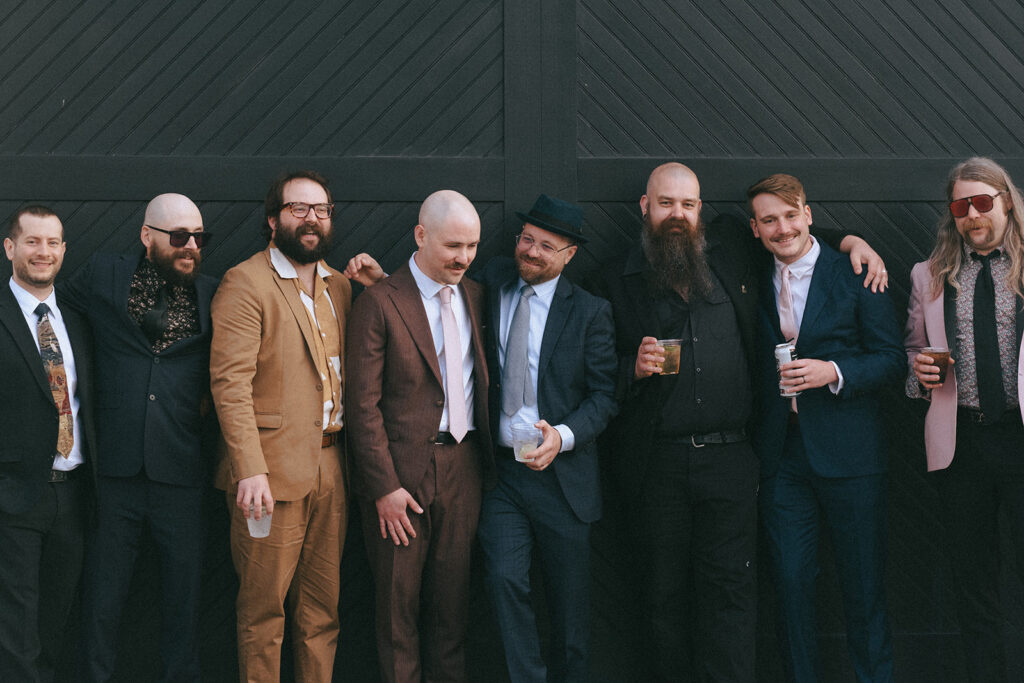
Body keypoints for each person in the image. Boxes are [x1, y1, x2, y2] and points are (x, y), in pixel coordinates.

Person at [589, 162, 886, 681]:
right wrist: (629, 370)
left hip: (733, 458)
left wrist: (852, 240)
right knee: (663, 595)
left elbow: (791, 234)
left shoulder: (729, 248)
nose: (677, 214)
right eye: (666, 203)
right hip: (658, 462)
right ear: (645, 206)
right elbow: (587, 373)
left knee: (735, 594)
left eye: (687, 204)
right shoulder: (612, 279)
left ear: (702, 210)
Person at [748, 174, 903, 683]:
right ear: (754, 228)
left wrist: (832, 373)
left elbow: (890, 359)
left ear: (809, 215)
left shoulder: (857, 271)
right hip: (783, 458)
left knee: (863, 590)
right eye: (769, 219)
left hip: (852, 457)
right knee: (790, 588)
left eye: (791, 215)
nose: (782, 227)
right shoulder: (748, 273)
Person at [62, 193, 217, 682]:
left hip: (182, 471)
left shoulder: (215, 292)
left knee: (183, 602)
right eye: (178, 237)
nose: (190, 245)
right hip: (115, 472)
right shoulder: (103, 274)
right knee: (103, 600)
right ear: (147, 236)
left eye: (198, 237)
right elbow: (49, 306)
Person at [345, 190, 494, 683]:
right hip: (399, 479)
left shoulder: (476, 294)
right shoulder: (380, 302)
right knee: (397, 616)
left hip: (464, 469)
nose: (464, 258)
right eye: (454, 246)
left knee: (451, 613)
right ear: (421, 235)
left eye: (472, 246)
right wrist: (384, 489)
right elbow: (361, 407)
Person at [210, 170, 350, 682]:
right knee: (264, 614)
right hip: (267, 477)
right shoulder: (245, 282)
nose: (311, 219)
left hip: (332, 467)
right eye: (298, 208)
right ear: (273, 220)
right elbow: (231, 385)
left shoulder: (341, 287)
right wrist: (249, 469)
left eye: (321, 210)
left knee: (322, 614)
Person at [476, 195, 617, 682]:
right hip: (501, 476)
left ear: (570, 254)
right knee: (503, 578)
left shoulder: (591, 312)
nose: (531, 252)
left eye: (546, 246)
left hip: (563, 480)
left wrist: (562, 435)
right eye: (527, 240)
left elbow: (604, 397)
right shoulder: (491, 282)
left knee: (570, 605)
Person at [904, 156, 1024, 683]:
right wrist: (919, 373)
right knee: (972, 582)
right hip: (962, 446)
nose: (972, 215)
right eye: (961, 205)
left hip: (1020, 438)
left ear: (1006, 202)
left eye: (982, 202)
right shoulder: (927, 276)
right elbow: (911, 354)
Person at [0, 206, 96, 682]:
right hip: (13, 497)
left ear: (63, 251)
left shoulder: (76, 323)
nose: (43, 252)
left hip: (72, 495)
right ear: (10, 248)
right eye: (32, 242)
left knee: (55, 623)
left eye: (52, 243)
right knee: (15, 633)